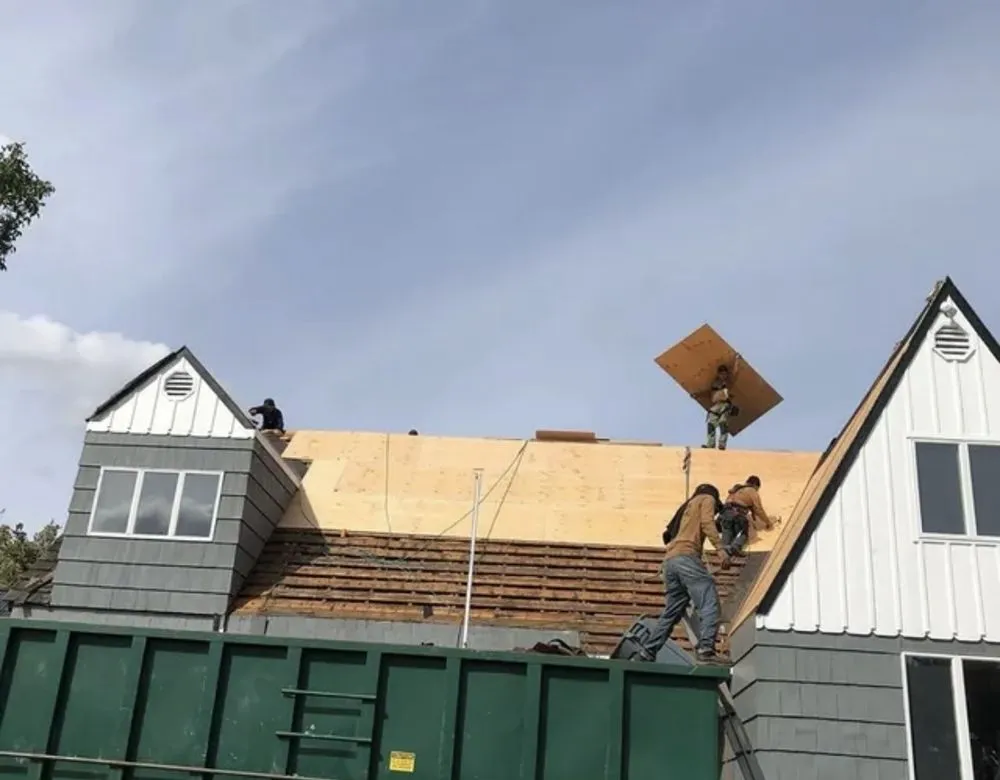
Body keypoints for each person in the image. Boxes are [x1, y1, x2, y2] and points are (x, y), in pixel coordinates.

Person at [639, 483, 729, 664]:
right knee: (709, 601)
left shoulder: (686, 507)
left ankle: (647, 651)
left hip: (670, 562)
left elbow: (669, 534)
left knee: (672, 611)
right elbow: (707, 522)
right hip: (687, 557)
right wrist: (720, 549)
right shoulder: (707, 498)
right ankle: (706, 649)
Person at [718, 475, 779, 556]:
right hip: (737, 513)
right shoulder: (752, 491)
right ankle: (736, 546)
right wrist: (768, 522)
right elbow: (758, 509)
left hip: (724, 514)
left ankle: (724, 550)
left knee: (727, 531)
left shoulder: (737, 489)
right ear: (756, 486)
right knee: (743, 533)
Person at [699, 365, 736, 450]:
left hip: (725, 404)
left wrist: (736, 363)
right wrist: (698, 395)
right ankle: (710, 444)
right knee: (711, 424)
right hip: (716, 405)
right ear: (718, 374)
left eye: (725, 374)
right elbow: (709, 393)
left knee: (723, 422)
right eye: (721, 373)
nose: (723, 375)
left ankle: (722, 444)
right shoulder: (715, 383)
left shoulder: (728, 382)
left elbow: (735, 373)